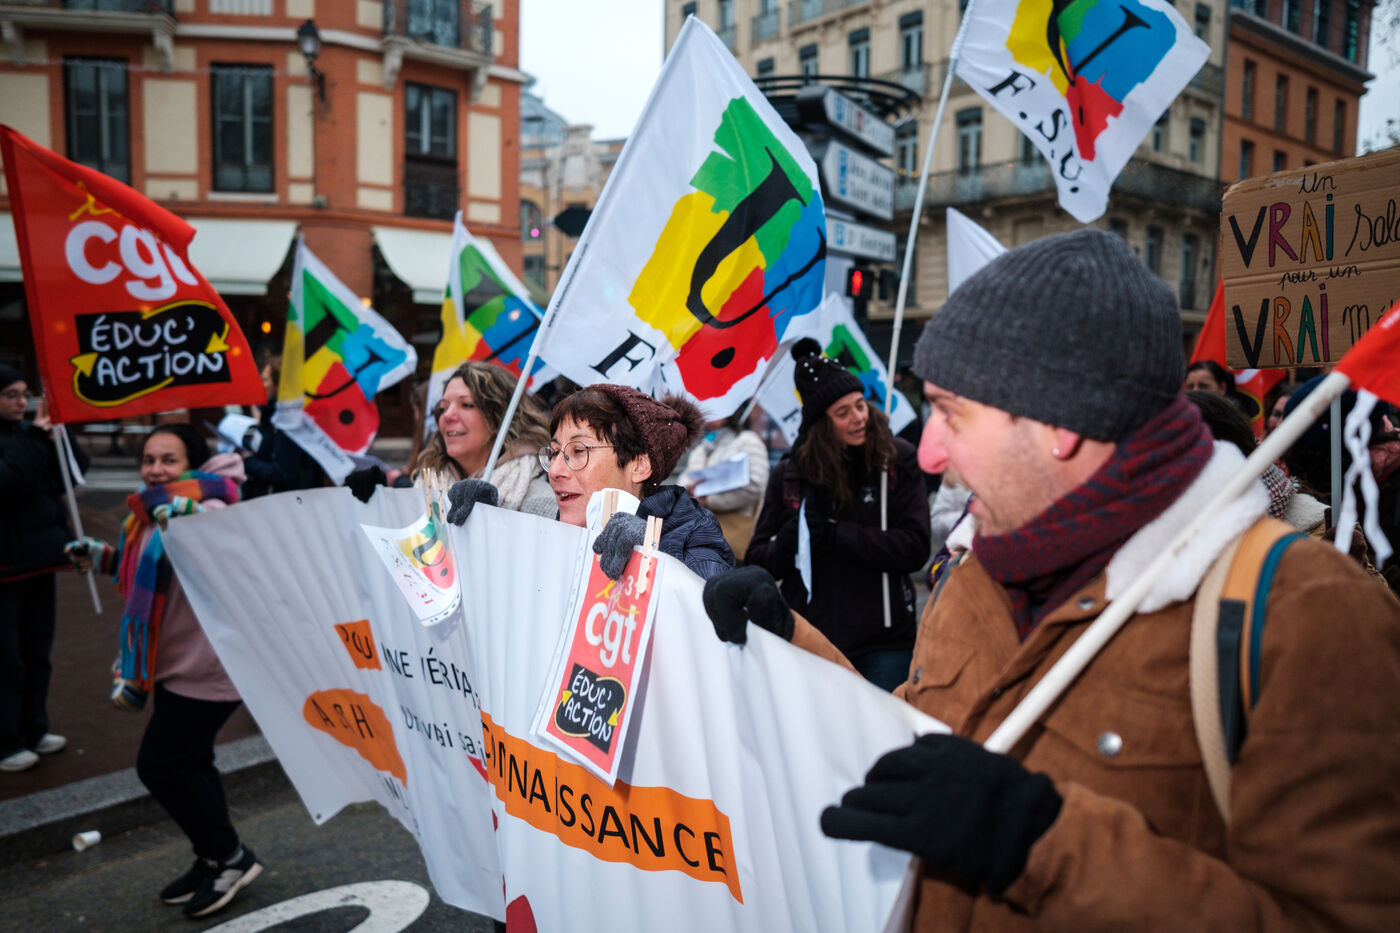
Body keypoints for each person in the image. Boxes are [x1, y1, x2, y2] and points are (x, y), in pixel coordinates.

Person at [703, 229, 1400, 930]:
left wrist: (1040, 842)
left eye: (951, 412)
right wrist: (787, 641)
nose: (930, 451)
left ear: (1060, 424)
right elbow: (907, 741)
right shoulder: (976, 572)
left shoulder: (1305, 611)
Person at [66, 424, 262, 919]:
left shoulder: (210, 503)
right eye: (149, 459)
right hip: (174, 661)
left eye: (168, 460)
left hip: (210, 664)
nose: (155, 469)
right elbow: (149, 575)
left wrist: (189, 518)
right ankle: (213, 855)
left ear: (192, 465)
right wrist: (105, 558)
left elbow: (219, 538)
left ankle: (232, 858)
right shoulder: (148, 511)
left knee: (160, 765)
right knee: (192, 761)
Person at [745, 340, 930, 691]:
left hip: (884, 643)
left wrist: (835, 534)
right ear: (821, 424)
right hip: (813, 639)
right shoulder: (791, 474)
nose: (859, 417)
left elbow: (915, 547)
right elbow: (758, 562)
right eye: (843, 412)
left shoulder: (895, 460)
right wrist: (786, 544)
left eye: (860, 405)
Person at [450, 384, 735, 580]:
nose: (555, 470)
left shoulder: (693, 534)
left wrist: (650, 555)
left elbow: (707, 625)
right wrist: (483, 528)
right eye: (554, 452)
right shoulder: (550, 524)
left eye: (578, 451)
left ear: (639, 465)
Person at [1, 364, 87, 772]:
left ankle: (34, 727)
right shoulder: (26, 437)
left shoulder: (28, 434)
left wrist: (62, 437)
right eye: (11, 395)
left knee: (37, 651)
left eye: (24, 393)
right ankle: (6, 741)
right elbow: (8, 479)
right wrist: (36, 438)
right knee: (6, 658)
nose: (22, 402)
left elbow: (73, 474)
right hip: (5, 565)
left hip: (39, 560)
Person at [680, 409, 769, 560]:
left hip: (732, 529)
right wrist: (690, 489)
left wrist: (710, 500)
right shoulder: (703, 446)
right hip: (699, 533)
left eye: (713, 411)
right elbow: (686, 478)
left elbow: (755, 485)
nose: (707, 418)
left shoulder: (748, 441)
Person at [241, 356, 327, 499]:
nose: (260, 385)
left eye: (265, 380)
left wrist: (248, 462)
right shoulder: (269, 416)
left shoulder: (286, 423)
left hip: (281, 503)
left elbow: (284, 473)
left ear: (278, 386)